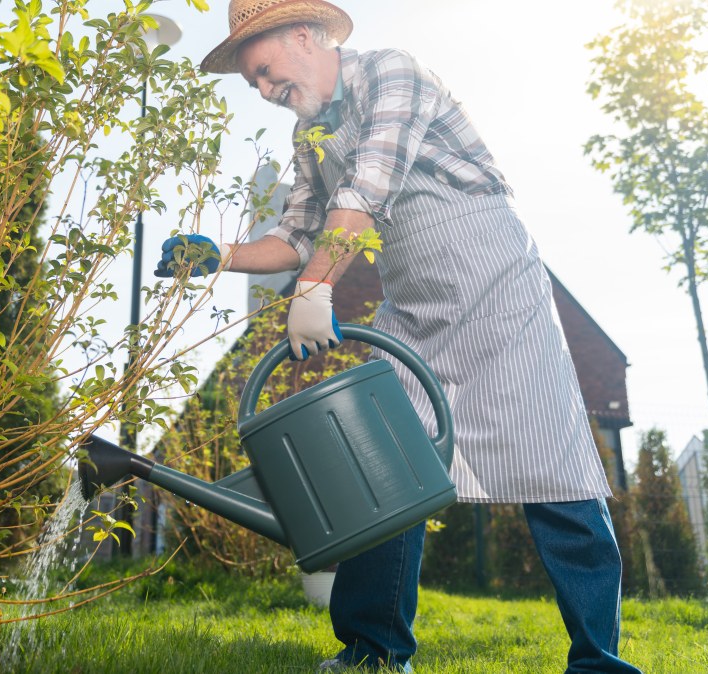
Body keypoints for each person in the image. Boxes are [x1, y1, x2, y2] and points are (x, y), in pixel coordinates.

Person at [156, 1, 643, 672]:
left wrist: (315, 289)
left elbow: (367, 190)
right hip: (413, 306)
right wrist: (222, 253)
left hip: (498, 288)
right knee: (381, 465)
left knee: (553, 466)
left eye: (266, 74)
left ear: (303, 35)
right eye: (255, 86)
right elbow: (296, 235)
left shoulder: (392, 73)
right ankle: (375, 650)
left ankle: (598, 661)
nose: (266, 94)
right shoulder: (310, 137)